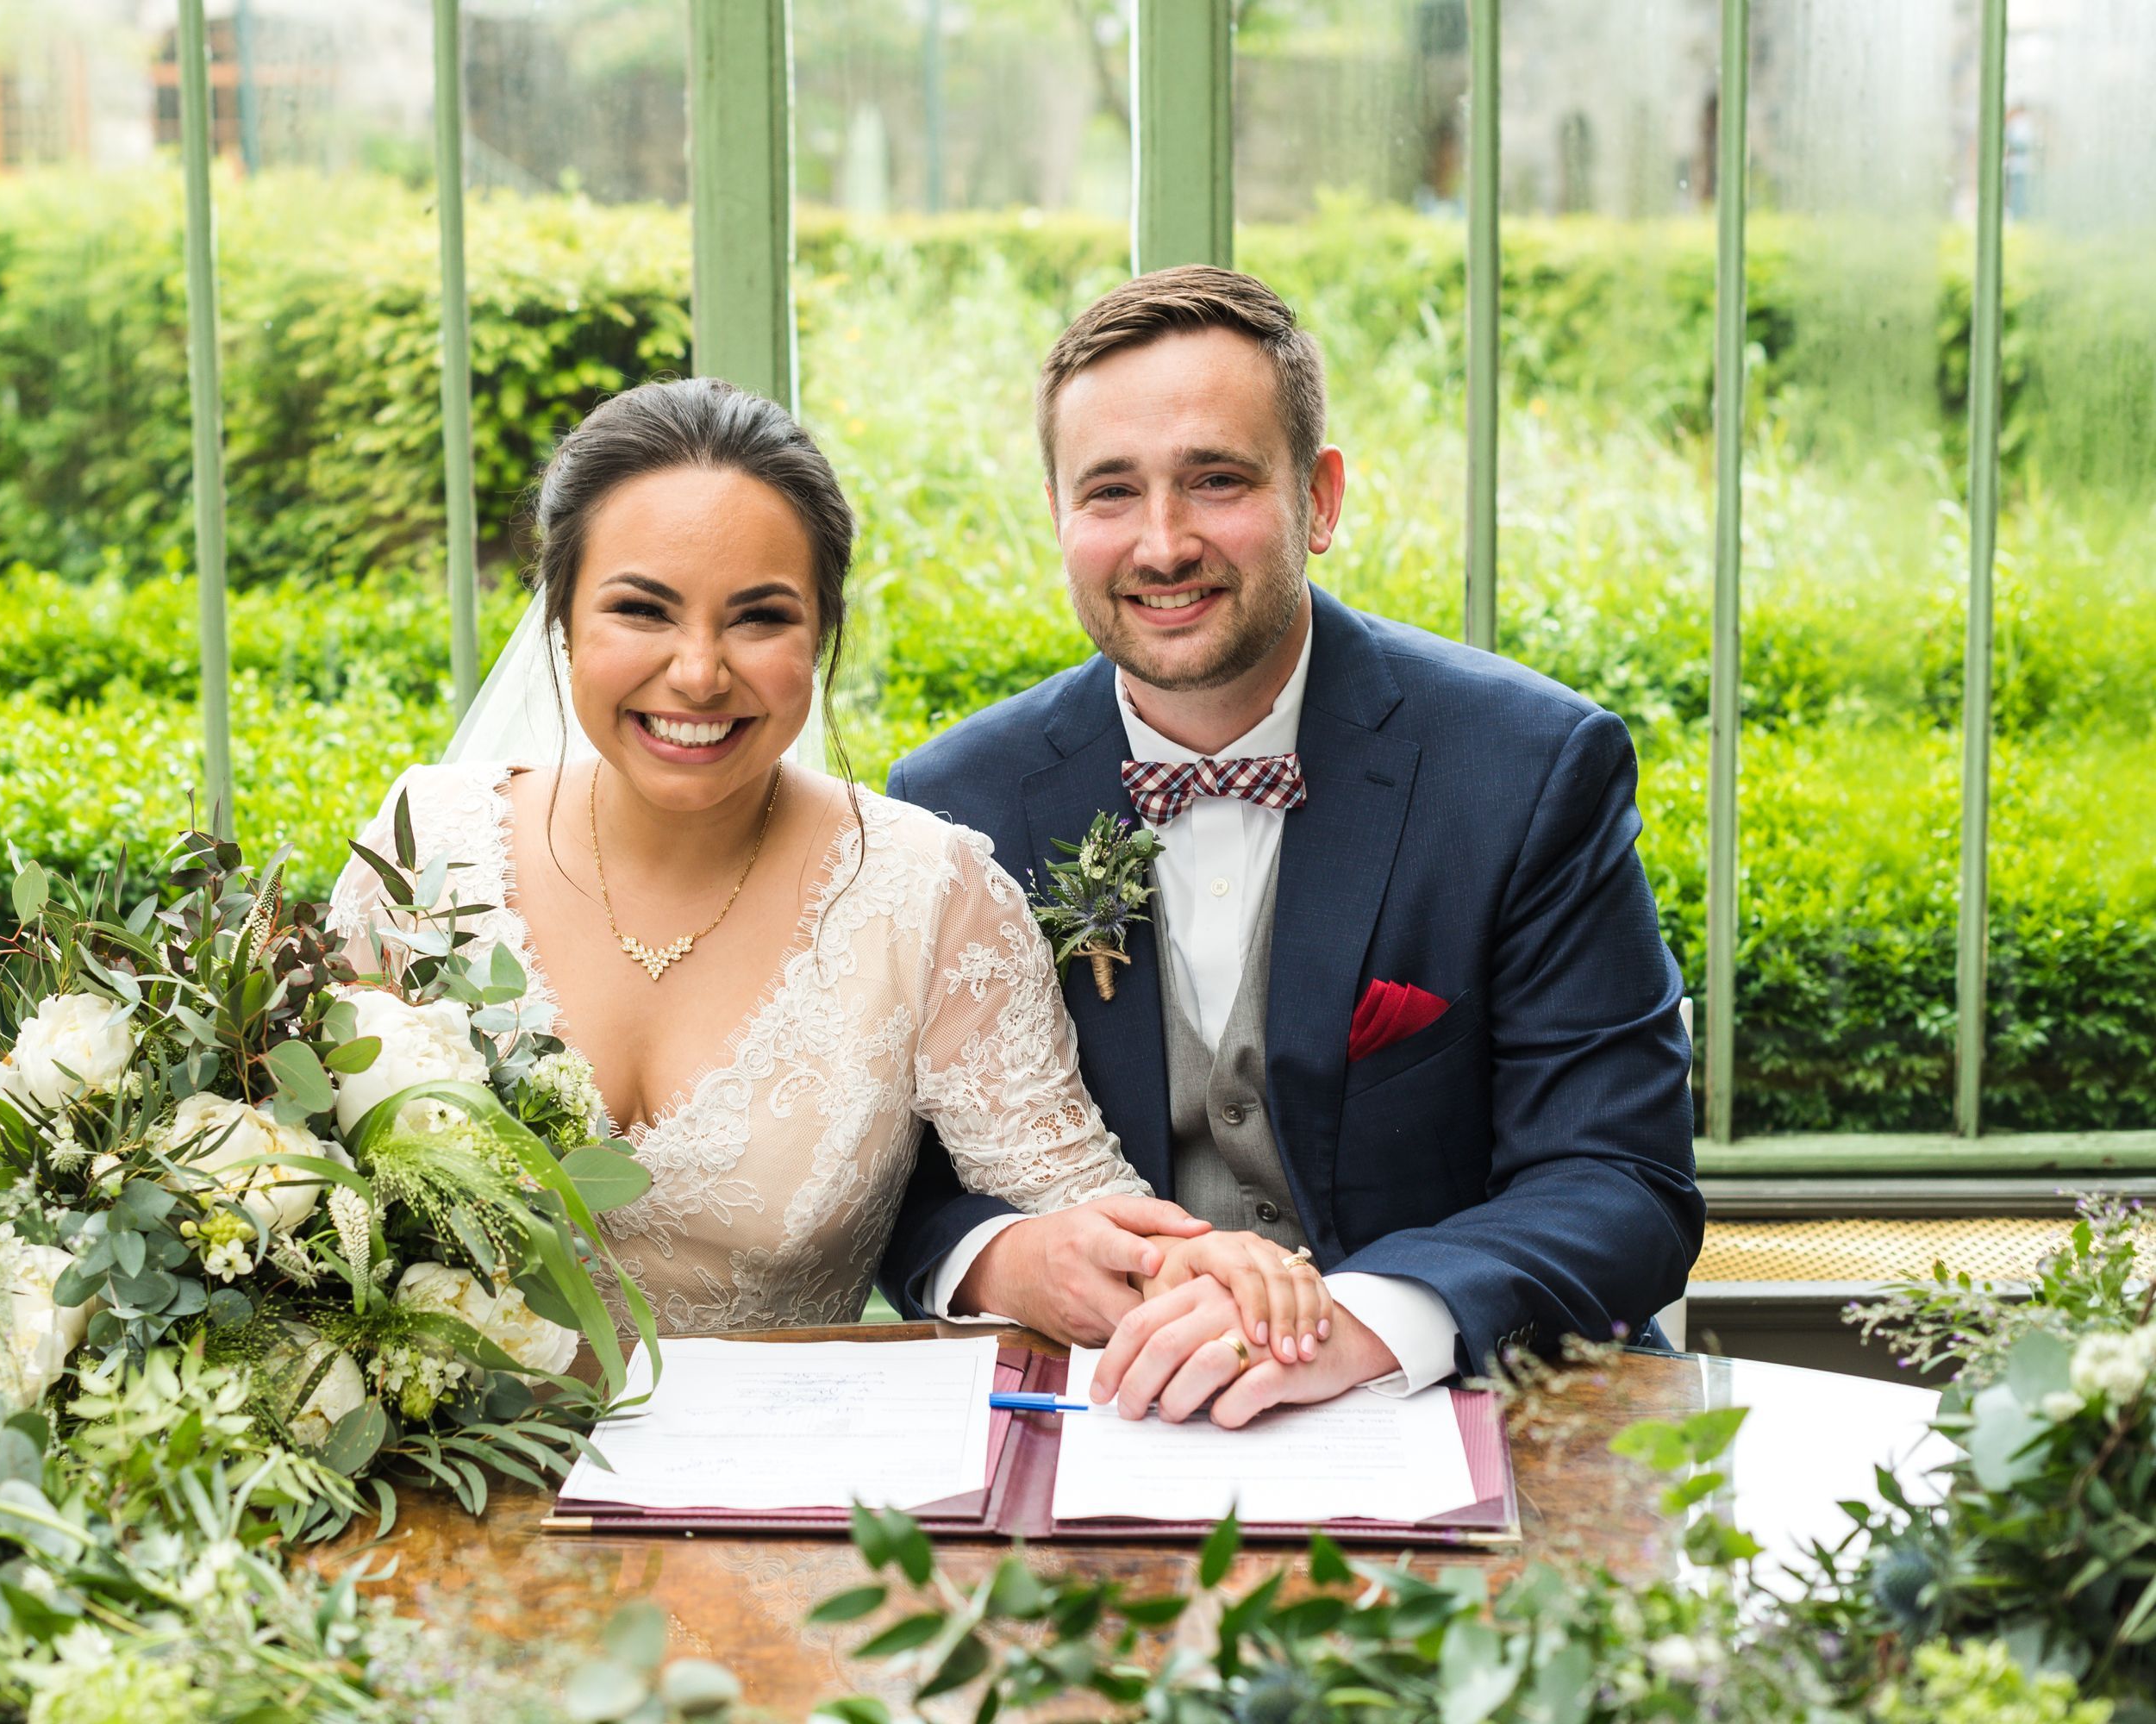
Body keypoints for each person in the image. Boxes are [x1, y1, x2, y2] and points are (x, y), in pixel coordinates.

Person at [330, 377, 1327, 1348]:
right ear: (560, 616)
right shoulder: (426, 846)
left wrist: (1214, 1274)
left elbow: (1073, 1195)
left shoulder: (926, 891)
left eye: (761, 617)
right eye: (641, 609)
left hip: (771, 1497)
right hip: (429, 1483)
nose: (698, 671)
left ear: (822, 634)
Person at [879, 266, 1703, 1425]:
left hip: (1473, 1403)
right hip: (1110, 1422)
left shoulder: (1526, 769)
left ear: (1319, 499)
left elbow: (1623, 1184)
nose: (1163, 544)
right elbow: (899, 1187)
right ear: (1059, 515)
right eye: (1110, 491)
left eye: (1216, 480)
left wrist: (1366, 1325)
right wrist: (1009, 1263)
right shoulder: (957, 804)